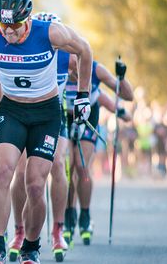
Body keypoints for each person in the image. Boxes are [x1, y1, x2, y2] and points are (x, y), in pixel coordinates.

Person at [0, 0, 93, 264]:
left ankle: (31, 247)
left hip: (46, 115)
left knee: (35, 185)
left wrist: (83, 95)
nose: (9, 33)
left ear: (29, 20)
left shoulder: (50, 33)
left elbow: (85, 50)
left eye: (16, 26)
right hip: (11, 111)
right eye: (4, 26)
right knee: (3, 172)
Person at [1, 11, 75, 262]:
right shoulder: (24, 47)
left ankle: (58, 229)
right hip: (24, 113)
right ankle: (19, 231)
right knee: (21, 172)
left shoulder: (68, 56)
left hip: (55, 116)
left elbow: (91, 67)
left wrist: (86, 98)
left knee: (57, 163)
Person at [63, 57, 132, 246]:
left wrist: (122, 77)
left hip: (87, 118)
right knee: (66, 169)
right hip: (65, 117)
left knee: (81, 165)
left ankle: (85, 215)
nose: (75, 71)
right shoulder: (57, 65)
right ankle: (69, 213)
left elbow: (127, 96)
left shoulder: (95, 69)